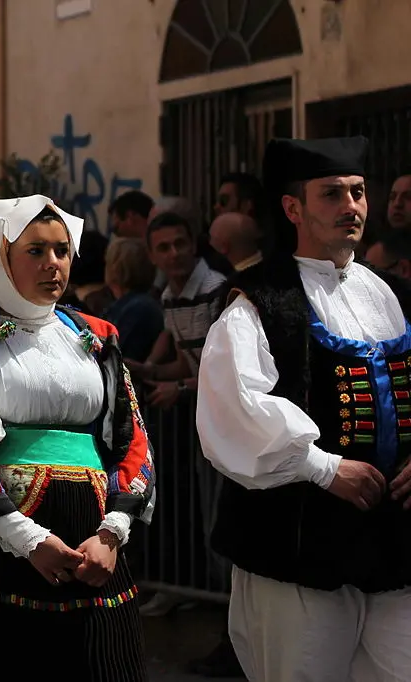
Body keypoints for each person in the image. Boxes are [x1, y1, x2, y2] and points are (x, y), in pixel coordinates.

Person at [0, 196, 155, 682]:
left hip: (94, 547)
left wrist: (112, 533)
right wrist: (25, 537)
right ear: (2, 256)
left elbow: (132, 441)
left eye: (63, 251)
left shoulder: (97, 335)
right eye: (36, 252)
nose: (53, 265)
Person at [197, 136, 411, 681]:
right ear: (293, 208)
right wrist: (322, 467)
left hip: (395, 544)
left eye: (358, 192)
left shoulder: (395, 295)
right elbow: (235, 408)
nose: (352, 207)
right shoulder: (258, 301)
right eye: (332, 194)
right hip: (299, 543)